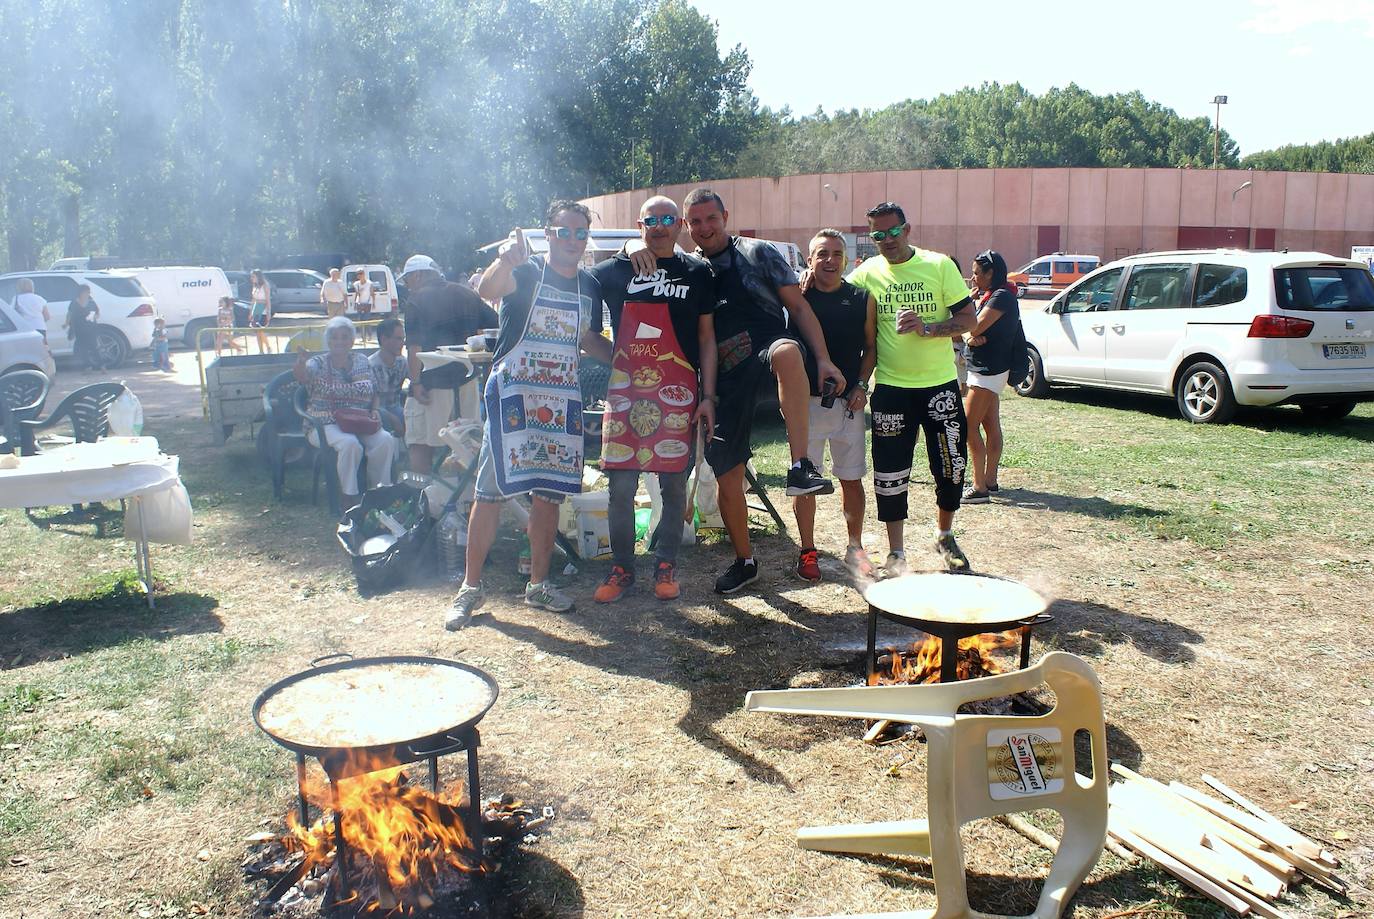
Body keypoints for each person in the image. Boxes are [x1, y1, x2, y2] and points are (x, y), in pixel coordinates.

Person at [628, 188, 845, 595]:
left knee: (786, 353)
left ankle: (801, 465)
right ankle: (744, 561)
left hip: (765, 347)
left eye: (711, 218)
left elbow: (799, 309)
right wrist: (631, 243)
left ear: (725, 216)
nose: (705, 227)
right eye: (696, 222)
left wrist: (825, 359)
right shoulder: (690, 267)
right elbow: (641, 248)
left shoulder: (759, 252)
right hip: (722, 373)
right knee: (727, 472)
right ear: (685, 227)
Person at [448, 200, 611, 627]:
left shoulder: (588, 286)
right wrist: (505, 260)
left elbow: (588, 337)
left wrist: (626, 360)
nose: (573, 240)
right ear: (548, 233)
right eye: (564, 232)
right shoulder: (525, 271)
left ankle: (538, 585)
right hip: (514, 395)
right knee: (490, 492)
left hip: (562, 401)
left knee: (549, 494)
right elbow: (487, 289)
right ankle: (470, 587)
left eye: (580, 233)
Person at [587, 195, 717, 603]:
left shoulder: (697, 272)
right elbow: (587, 336)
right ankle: (622, 569)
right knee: (620, 486)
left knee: (674, 484)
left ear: (679, 223)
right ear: (637, 224)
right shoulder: (608, 273)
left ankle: (666, 564)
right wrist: (621, 361)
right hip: (625, 392)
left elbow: (706, 338)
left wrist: (708, 395)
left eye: (666, 219)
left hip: (679, 391)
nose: (658, 226)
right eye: (650, 220)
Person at [846, 202, 976, 574]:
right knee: (889, 471)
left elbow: (970, 319)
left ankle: (945, 535)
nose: (886, 240)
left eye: (892, 231)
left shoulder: (938, 266)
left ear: (907, 229)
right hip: (891, 390)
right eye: (878, 235)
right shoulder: (867, 273)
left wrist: (929, 328)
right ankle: (896, 552)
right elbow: (838, 303)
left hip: (939, 388)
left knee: (951, 466)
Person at [794, 229, 877, 582]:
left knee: (851, 478)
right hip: (805, 403)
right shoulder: (797, 296)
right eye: (822, 254)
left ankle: (854, 548)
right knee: (803, 481)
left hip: (847, 404)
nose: (830, 260)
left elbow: (871, 348)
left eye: (837, 254)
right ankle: (807, 551)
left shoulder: (861, 297)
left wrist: (861, 384)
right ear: (809, 260)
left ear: (846, 259)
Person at [399, 254, 498, 474]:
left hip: (431, 384)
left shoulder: (416, 301)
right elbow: (496, 328)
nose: (407, 287)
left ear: (418, 275)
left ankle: (424, 498)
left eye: (407, 281)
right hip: (467, 381)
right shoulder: (467, 294)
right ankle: (464, 499)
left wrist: (415, 384)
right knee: (467, 443)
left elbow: (415, 348)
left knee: (420, 442)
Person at [293, 315, 395, 509]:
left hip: (359, 421)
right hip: (325, 423)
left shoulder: (362, 361)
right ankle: (349, 497)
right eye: (335, 337)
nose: (339, 341)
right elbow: (303, 375)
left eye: (345, 337)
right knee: (350, 444)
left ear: (352, 340)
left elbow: (374, 391)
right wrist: (300, 363)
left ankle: (379, 493)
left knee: (386, 440)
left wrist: (374, 410)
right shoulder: (319, 362)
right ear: (328, 340)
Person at [960, 250, 1023, 504]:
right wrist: (968, 335)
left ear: (990, 273)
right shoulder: (992, 295)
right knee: (989, 424)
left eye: (977, 273)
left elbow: (972, 326)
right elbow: (970, 331)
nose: (973, 278)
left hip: (988, 371)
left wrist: (967, 329)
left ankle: (979, 486)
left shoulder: (1001, 297)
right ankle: (990, 480)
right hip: (986, 370)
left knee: (967, 426)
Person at [369, 317, 408, 435]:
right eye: (398, 339)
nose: (403, 343)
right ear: (384, 339)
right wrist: (392, 418)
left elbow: (416, 381)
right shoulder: (370, 365)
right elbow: (368, 402)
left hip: (396, 407)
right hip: (375, 410)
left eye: (403, 339)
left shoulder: (402, 362)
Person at [64, 284, 102, 370]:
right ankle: (87, 366)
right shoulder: (74, 302)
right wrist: (66, 323)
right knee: (82, 348)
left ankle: (101, 365)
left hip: (91, 328)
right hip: (79, 328)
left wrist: (93, 317)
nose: (87, 294)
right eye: (85, 292)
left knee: (94, 346)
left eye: (88, 292)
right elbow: (69, 314)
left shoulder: (91, 302)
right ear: (80, 292)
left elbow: (97, 313)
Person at [249, 270, 273, 354]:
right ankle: (261, 350)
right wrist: (251, 312)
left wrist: (268, 312)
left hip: (263, 309)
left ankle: (268, 347)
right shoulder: (255, 286)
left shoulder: (265, 285)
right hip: (256, 308)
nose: (251, 279)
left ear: (258, 276)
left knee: (261, 330)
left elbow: (267, 299)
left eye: (253, 277)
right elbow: (253, 299)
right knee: (257, 331)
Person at [352, 269, 376, 343]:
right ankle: (363, 337)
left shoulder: (369, 283)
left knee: (367, 320)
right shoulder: (356, 284)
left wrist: (374, 303)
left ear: (364, 274)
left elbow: (372, 293)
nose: (360, 275)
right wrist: (355, 303)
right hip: (360, 304)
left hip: (367, 303)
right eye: (358, 274)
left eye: (361, 273)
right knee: (360, 321)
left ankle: (370, 336)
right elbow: (357, 294)